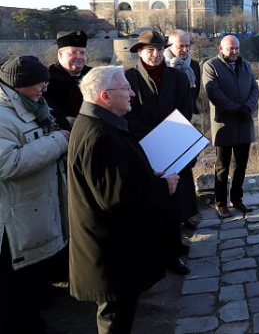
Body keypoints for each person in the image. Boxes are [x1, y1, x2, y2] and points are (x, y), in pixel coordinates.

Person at [68, 66, 179, 333]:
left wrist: (149, 175)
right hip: (112, 256)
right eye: (125, 89)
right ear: (105, 96)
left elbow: (119, 179)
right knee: (114, 320)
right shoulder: (100, 136)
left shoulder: (100, 125)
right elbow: (118, 198)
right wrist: (163, 186)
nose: (131, 93)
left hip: (114, 251)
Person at [0, 55, 70, 334]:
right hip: (15, 216)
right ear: (20, 85)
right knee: (12, 283)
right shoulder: (3, 115)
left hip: (37, 206)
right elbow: (7, 163)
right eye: (39, 82)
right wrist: (57, 141)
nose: (45, 86)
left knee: (30, 277)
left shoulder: (35, 106)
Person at [125, 30, 193, 276]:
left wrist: (168, 131)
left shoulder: (178, 77)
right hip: (143, 146)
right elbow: (128, 114)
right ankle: (154, 252)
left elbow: (186, 107)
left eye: (158, 50)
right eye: (149, 50)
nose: (154, 54)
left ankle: (173, 250)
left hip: (172, 142)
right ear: (140, 52)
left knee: (173, 198)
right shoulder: (129, 77)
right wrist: (152, 136)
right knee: (150, 199)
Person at [202, 35, 259, 219]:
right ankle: (221, 203)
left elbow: (255, 89)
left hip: (244, 122)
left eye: (236, 48)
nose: (234, 52)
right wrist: (237, 109)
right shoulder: (211, 66)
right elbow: (214, 93)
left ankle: (237, 198)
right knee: (222, 167)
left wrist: (248, 107)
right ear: (221, 49)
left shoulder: (246, 65)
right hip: (224, 124)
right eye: (230, 49)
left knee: (241, 165)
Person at [165, 29, 201, 230]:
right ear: (170, 46)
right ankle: (173, 216)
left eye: (188, 46)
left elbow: (194, 96)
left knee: (186, 172)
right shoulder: (164, 66)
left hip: (186, 123)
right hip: (168, 126)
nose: (185, 50)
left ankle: (187, 213)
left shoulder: (194, 66)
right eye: (181, 46)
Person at [45, 30, 92, 130]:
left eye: (82, 53)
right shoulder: (46, 79)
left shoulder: (93, 76)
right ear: (60, 54)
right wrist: (62, 119)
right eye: (73, 53)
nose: (79, 57)